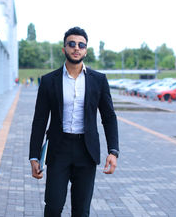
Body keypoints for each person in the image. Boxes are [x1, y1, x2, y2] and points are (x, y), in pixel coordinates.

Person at [29, 27, 119, 217]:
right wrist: (34, 156)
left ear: (86, 50)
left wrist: (113, 151)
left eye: (81, 45)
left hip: (86, 151)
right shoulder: (48, 81)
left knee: (81, 211)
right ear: (64, 49)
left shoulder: (99, 80)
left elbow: (109, 117)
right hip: (58, 150)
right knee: (53, 207)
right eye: (71, 44)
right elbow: (39, 120)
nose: (76, 48)